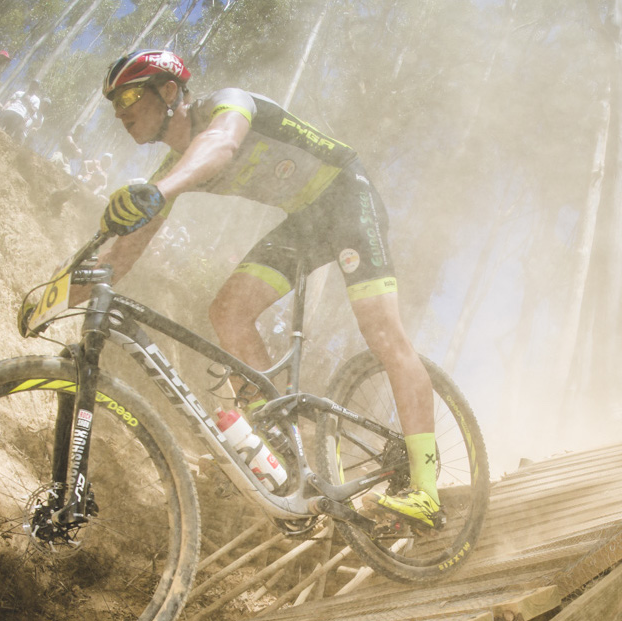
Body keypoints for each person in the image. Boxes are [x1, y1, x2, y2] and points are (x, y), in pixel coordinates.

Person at [88, 49, 442, 527]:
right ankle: (282, 444)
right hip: (306, 221)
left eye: (129, 94)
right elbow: (122, 253)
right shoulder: (173, 168)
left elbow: (221, 146)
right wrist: (57, 295)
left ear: (168, 91)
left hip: (347, 197)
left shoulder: (227, 106)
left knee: (382, 333)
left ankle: (426, 488)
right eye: (114, 103)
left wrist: (162, 192)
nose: (120, 111)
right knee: (228, 312)